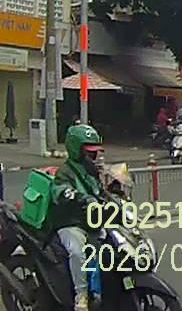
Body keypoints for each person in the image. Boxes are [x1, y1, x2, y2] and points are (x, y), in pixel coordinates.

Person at [50, 125, 110, 311]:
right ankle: (81, 296)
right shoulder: (65, 171)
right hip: (71, 223)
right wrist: (79, 197)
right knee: (77, 252)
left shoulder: (92, 170)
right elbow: (60, 191)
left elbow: (100, 191)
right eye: (89, 152)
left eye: (95, 152)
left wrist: (114, 194)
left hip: (92, 221)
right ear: (77, 149)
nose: (93, 155)